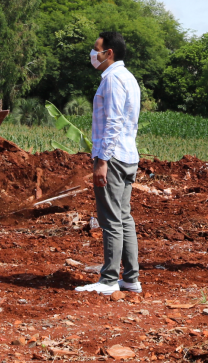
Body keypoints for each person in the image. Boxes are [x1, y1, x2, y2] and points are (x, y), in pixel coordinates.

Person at [75, 31, 142, 295]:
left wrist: (102, 160)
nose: (93, 54)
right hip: (128, 155)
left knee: (111, 219)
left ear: (109, 53)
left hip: (113, 157)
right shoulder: (129, 78)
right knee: (124, 217)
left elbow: (113, 123)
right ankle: (131, 278)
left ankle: (109, 280)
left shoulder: (113, 79)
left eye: (96, 49)